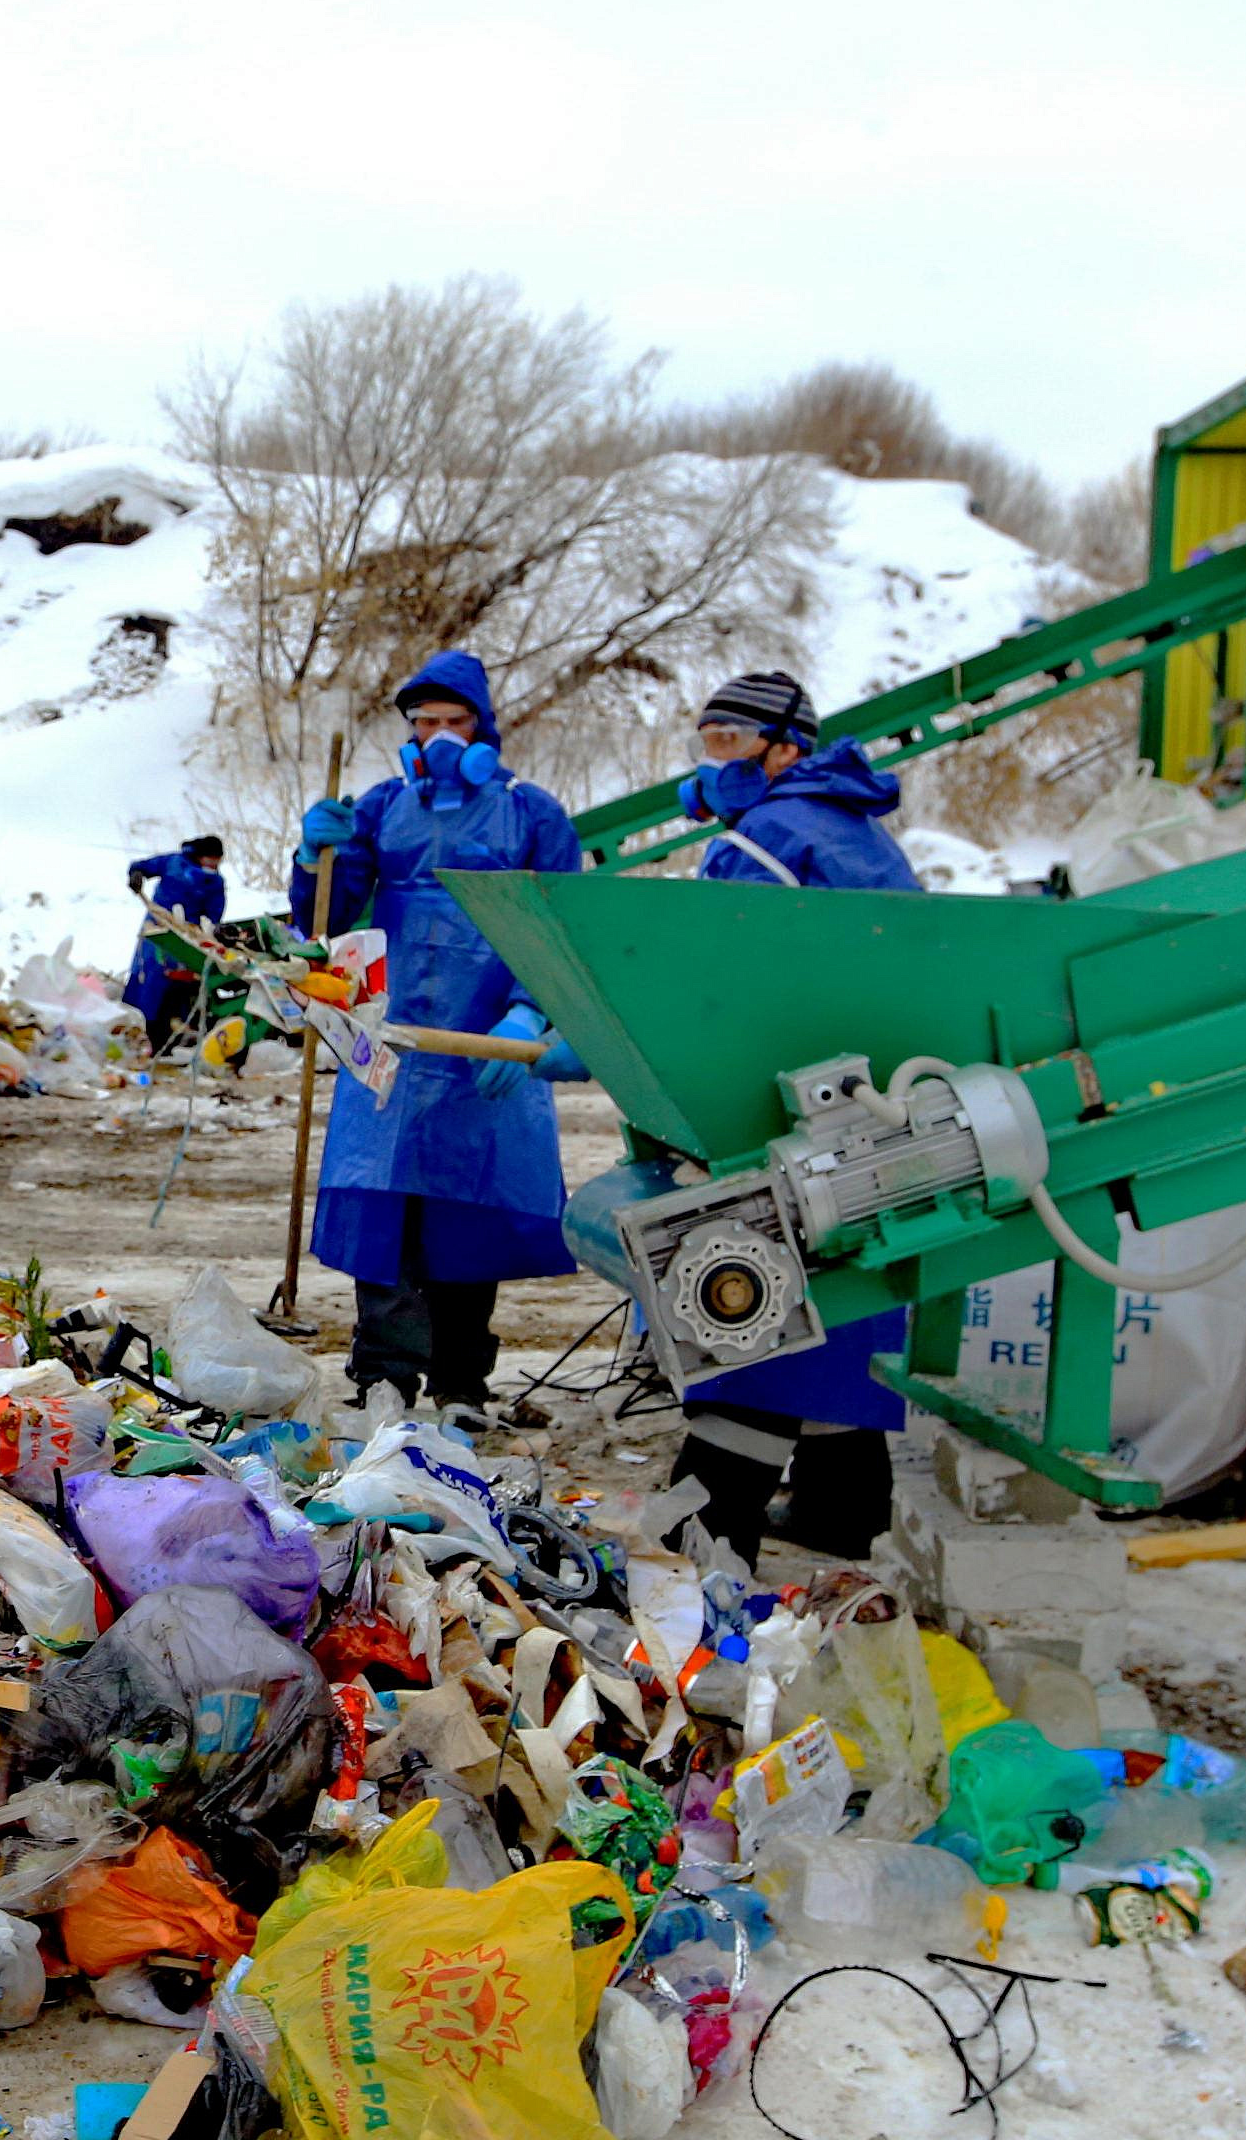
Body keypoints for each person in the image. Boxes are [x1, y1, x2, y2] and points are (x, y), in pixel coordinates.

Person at [537, 669, 920, 1565]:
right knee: (844, 1311)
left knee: (745, 1315)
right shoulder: (857, 832)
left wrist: (599, 1035)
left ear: (785, 747)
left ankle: (702, 1536)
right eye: (704, 740)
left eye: (728, 742)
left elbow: (702, 981)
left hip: (777, 1106)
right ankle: (840, 1511)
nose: (711, 761)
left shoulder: (764, 842)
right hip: (872, 1108)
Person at [292, 650, 581, 1424]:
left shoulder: (534, 814)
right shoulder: (382, 807)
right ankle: (384, 1374)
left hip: (486, 1033)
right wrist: (315, 854)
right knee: (385, 1208)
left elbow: (562, 927)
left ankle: (461, 1381)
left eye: (455, 723)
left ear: (483, 730)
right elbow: (324, 917)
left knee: (468, 1209)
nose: (440, 737)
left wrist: (530, 1012)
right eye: (425, 724)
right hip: (392, 1032)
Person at [123, 835, 226, 1053]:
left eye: (217, 862)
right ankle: (137, 1025)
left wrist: (210, 931)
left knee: (177, 985)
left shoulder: (215, 882)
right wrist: (136, 876)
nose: (213, 866)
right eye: (210, 860)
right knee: (147, 978)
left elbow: (214, 914)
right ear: (200, 855)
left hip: (187, 936)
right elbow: (141, 866)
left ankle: (168, 1033)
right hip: (157, 930)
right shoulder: (174, 863)